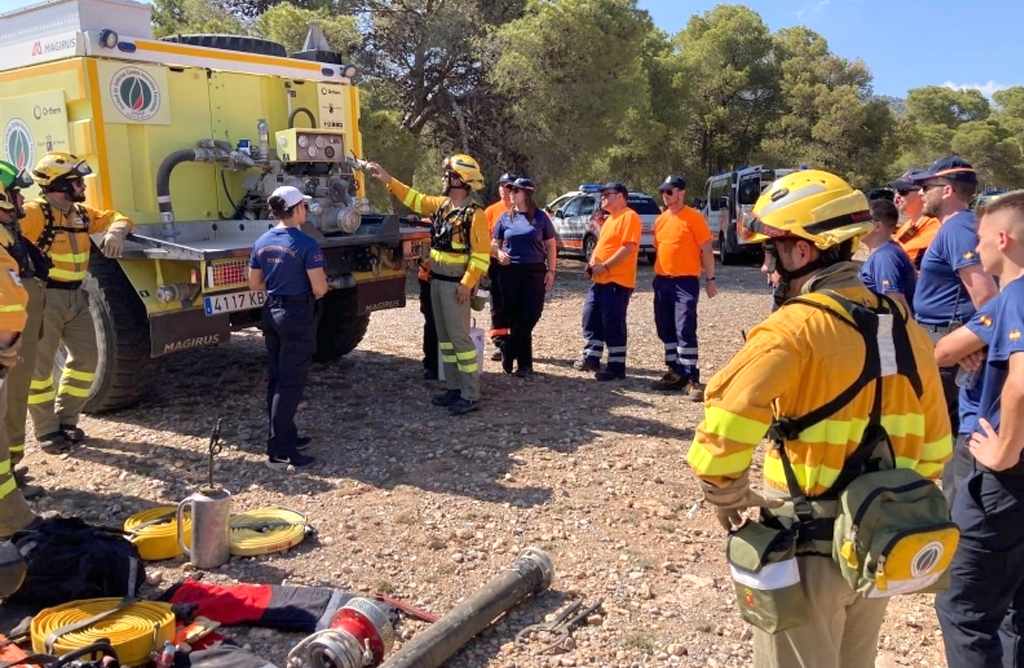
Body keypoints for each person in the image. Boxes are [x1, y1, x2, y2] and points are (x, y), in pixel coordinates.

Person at [686, 170, 951, 668]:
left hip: (804, 545)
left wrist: (726, 492)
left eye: (772, 252)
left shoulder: (790, 329)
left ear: (802, 252)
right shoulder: (905, 326)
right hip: (877, 541)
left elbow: (725, 418)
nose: (766, 267)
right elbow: (936, 443)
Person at [934, 190, 1024, 668]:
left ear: (1003, 239)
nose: (975, 248)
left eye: (982, 237)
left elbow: (1022, 383)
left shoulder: (1016, 297)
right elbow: (946, 350)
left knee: (964, 608)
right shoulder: (1006, 304)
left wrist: (1007, 447)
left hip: (1002, 474)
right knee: (1014, 606)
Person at [20, 153, 132, 453]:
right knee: (39, 370)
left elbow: (115, 217)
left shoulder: (79, 214)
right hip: (45, 298)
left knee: (87, 361)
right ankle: (46, 431)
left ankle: (67, 420)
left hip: (77, 296)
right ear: (58, 184)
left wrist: (117, 230)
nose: (83, 186)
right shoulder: (33, 213)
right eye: (76, 181)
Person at [369, 155, 490, 415]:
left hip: (456, 286)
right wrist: (389, 180)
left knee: (459, 339)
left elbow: (481, 256)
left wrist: (467, 285)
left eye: (447, 175)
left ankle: (470, 394)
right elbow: (414, 199)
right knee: (445, 339)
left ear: (459, 180)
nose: (442, 179)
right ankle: (455, 388)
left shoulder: (474, 214)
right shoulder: (441, 206)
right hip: (437, 282)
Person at [910, 156, 998, 493]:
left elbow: (987, 297)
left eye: (925, 187)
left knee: (950, 441)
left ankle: (955, 522)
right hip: (942, 341)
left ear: (946, 190)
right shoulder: (954, 227)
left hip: (948, 345)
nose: (920, 192)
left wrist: (971, 343)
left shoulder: (958, 227)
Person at [248, 186, 326, 469]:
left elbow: (254, 284)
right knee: (291, 383)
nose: (306, 210)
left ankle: (284, 436)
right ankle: (279, 452)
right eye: (304, 206)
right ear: (296, 210)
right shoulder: (305, 244)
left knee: (277, 378)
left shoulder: (262, 241)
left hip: (271, 312)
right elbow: (319, 287)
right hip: (296, 314)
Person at [0, 162, 46, 499]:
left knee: (12, 402)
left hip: (11, 340)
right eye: (15, 192)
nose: (21, 200)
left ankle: (10, 469)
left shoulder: (9, 228)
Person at [649, 175, 716, 399]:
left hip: (685, 282)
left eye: (670, 191)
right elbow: (659, 248)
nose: (665, 196)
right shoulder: (660, 220)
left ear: (681, 193)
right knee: (664, 327)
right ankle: (675, 372)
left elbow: (706, 250)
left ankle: (691, 378)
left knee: (685, 326)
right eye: (663, 192)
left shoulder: (694, 218)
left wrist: (710, 279)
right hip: (662, 282)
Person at [572, 182, 641, 381]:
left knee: (613, 322)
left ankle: (616, 366)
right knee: (590, 316)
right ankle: (591, 357)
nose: (602, 197)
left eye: (606, 194)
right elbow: (603, 246)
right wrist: (591, 265)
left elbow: (627, 248)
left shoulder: (629, 217)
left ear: (620, 196)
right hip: (600, 280)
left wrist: (607, 266)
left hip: (617, 281)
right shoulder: (610, 219)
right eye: (601, 194)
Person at [491, 178, 556, 376]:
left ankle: (508, 349)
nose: (511, 193)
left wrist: (551, 270)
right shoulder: (504, 217)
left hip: (534, 270)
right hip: (510, 271)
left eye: (516, 190)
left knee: (532, 313)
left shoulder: (540, 217)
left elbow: (551, 245)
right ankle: (525, 365)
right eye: (510, 190)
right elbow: (494, 243)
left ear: (527, 193)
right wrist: (499, 253)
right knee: (515, 316)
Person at [860, 199, 917, 312]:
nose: (858, 227)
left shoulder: (885, 257)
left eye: (863, 222)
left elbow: (896, 305)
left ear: (877, 226)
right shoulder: (888, 252)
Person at [484, 173, 517, 360]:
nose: (503, 189)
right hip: (495, 263)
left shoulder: (522, 210)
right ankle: (499, 342)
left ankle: (515, 340)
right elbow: (483, 238)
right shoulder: (491, 211)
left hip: (516, 264)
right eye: (501, 185)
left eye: (508, 186)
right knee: (497, 304)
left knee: (516, 303)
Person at [891, 170, 941, 268]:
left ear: (922, 192)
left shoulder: (936, 228)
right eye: (896, 191)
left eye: (903, 191)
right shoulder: (907, 225)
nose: (897, 196)